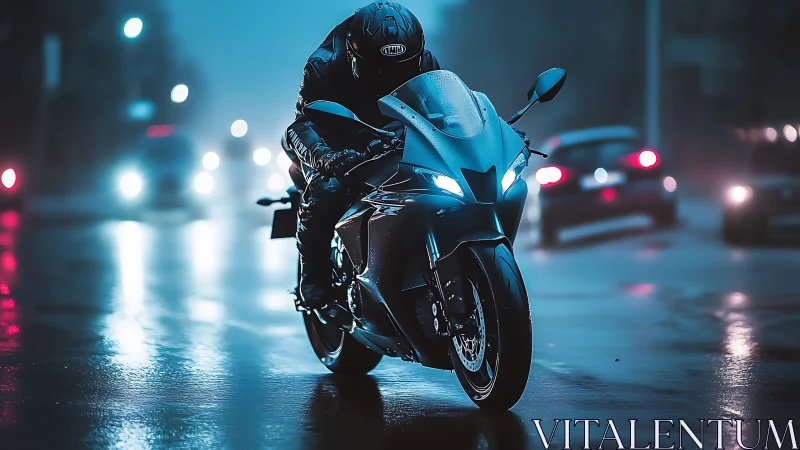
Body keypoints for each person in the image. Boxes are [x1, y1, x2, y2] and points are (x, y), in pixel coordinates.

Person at [284, 2, 530, 326]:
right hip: (339, 139)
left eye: (402, 67)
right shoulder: (324, 65)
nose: (390, 76)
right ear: (355, 56)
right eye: (379, 69)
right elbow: (301, 125)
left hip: (395, 137)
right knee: (326, 190)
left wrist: (493, 133)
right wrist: (326, 156)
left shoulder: (424, 60)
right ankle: (313, 285)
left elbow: (446, 108)